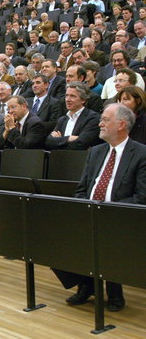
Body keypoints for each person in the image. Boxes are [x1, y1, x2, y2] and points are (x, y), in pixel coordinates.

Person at [54, 103, 146, 312]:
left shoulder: (141, 154)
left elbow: (141, 197)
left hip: (121, 215)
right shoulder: (96, 151)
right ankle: (86, 284)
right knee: (54, 232)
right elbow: (82, 188)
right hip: (89, 210)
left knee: (106, 235)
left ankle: (114, 291)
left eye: (105, 119)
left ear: (121, 124)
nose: (100, 123)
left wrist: (106, 209)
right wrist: (82, 206)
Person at [45, 82, 101, 150]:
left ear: (83, 100)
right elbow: (49, 142)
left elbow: (82, 143)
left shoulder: (93, 118)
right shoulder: (62, 120)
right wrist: (69, 138)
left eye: (72, 96)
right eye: (66, 95)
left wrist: (59, 140)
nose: (68, 99)